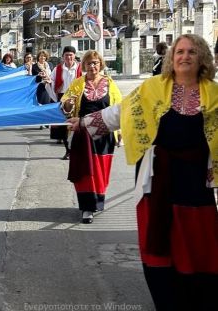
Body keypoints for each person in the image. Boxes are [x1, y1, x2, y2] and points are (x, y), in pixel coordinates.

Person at [67, 34, 218, 310]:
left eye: (191, 52)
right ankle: (167, 300)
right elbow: (121, 112)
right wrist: (84, 122)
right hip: (157, 179)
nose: (184, 57)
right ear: (172, 58)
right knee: (159, 242)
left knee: (199, 242)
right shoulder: (153, 88)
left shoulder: (215, 94)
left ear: (202, 58)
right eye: (179, 52)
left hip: (197, 182)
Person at [60, 51, 122, 224]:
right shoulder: (78, 83)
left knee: (101, 171)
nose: (92, 66)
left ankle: (97, 201)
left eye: (95, 63)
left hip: (105, 134)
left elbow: (118, 108)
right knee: (86, 172)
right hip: (83, 135)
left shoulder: (110, 83)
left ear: (100, 64)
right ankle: (87, 207)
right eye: (89, 63)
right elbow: (65, 103)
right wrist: (68, 104)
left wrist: (120, 134)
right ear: (84, 66)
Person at [50, 46, 83, 160]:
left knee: (78, 125)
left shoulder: (80, 68)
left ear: (74, 56)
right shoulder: (57, 69)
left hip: (78, 98)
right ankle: (68, 151)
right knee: (65, 125)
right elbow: (52, 82)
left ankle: (78, 150)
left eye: (71, 55)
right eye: (66, 55)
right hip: (63, 98)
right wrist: (48, 82)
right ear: (63, 57)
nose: (69, 57)